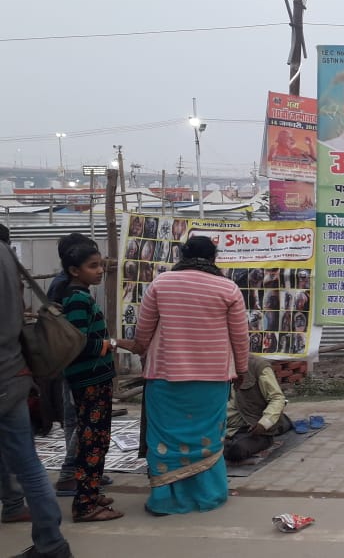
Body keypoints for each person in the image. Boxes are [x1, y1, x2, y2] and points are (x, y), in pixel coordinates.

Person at [120, 235, 248, 515]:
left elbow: (144, 331)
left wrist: (140, 349)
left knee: (166, 439)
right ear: (213, 257)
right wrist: (241, 370)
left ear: (182, 255)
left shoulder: (161, 284)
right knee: (207, 437)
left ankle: (164, 500)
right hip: (212, 379)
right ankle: (208, 495)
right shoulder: (228, 289)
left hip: (165, 377)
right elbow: (240, 337)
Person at [0, 231, 75, 557]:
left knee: (25, 462)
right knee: (26, 462)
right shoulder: (6, 254)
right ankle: (49, 540)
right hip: (13, 370)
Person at [53, 243, 122, 522]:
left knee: (98, 439)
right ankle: (84, 505)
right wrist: (117, 342)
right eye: (92, 266)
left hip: (95, 379)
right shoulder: (77, 299)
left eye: (100, 264)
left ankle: (91, 494)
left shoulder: (79, 294)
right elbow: (80, 343)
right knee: (92, 441)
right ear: (73, 270)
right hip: (89, 381)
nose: (99, 271)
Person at [224, 355, 292, 463]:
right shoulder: (213, 367)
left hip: (252, 427)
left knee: (236, 451)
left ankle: (278, 425)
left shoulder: (257, 366)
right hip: (224, 427)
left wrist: (264, 423)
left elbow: (277, 398)